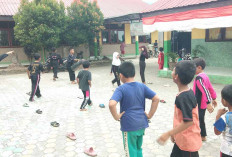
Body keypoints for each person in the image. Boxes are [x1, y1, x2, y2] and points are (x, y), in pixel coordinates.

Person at [109, 61, 159, 157]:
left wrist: (116, 116)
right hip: (142, 123)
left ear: (121, 75)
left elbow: (112, 104)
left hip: (129, 125)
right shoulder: (142, 86)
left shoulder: (121, 89)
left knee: (131, 151)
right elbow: (156, 99)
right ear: (135, 74)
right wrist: (149, 115)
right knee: (138, 148)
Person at [157, 60, 202, 157]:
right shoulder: (186, 93)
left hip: (188, 142)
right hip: (181, 139)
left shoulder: (184, 97)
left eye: (173, 70)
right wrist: (175, 133)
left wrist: (168, 133)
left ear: (176, 76)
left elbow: (188, 121)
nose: (172, 72)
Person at [193, 58, 217, 141]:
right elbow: (210, 88)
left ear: (199, 67)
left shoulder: (199, 78)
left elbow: (205, 90)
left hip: (200, 103)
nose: (193, 70)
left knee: (198, 119)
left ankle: (202, 136)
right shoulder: (205, 76)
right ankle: (202, 135)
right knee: (200, 119)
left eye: (194, 67)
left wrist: (209, 103)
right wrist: (214, 98)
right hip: (203, 103)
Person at [214, 84, 232, 157]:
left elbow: (217, 132)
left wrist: (218, 116)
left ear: (224, 101)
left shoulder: (225, 117)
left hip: (227, 151)